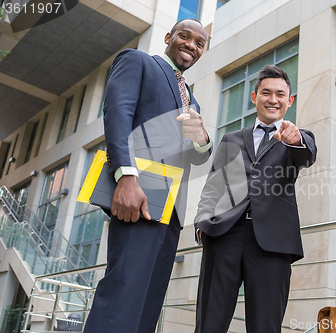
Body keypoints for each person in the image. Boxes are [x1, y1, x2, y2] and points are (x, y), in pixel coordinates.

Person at [83, 19, 212, 333]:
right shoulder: (138, 61)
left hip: (170, 210)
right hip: (139, 194)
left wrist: (203, 138)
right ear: (168, 37)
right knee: (124, 290)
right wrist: (126, 177)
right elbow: (118, 113)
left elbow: (198, 156)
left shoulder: (191, 100)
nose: (191, 45)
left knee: (149, 300)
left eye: (199, 43)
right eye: (185, 36)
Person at [193, 65, 317, 333]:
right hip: (224, 235)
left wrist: (295, 139)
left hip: (272, 242)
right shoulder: (232, 139)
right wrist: (201, 220)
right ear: (254, 97)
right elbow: (214, 184)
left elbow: (307, 155)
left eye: (280, 94)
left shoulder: (297, 137)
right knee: (209, 323)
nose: (273, 99)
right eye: (266, 92)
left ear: (289, 100)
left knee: (265, 326)